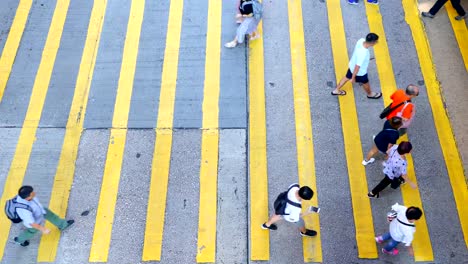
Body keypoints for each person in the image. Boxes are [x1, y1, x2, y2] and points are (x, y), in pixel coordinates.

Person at [331, 33, 382, 99]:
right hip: (360, 72)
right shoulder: (363, 53)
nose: (376, 42)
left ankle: (336, 90)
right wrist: (353, 78)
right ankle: (370, 94)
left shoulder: (361, 40)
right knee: (365, 82)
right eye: (376, 41)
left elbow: (358, 56)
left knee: (346, 77)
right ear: (372, 43)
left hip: (352, 65)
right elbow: (357, 67)